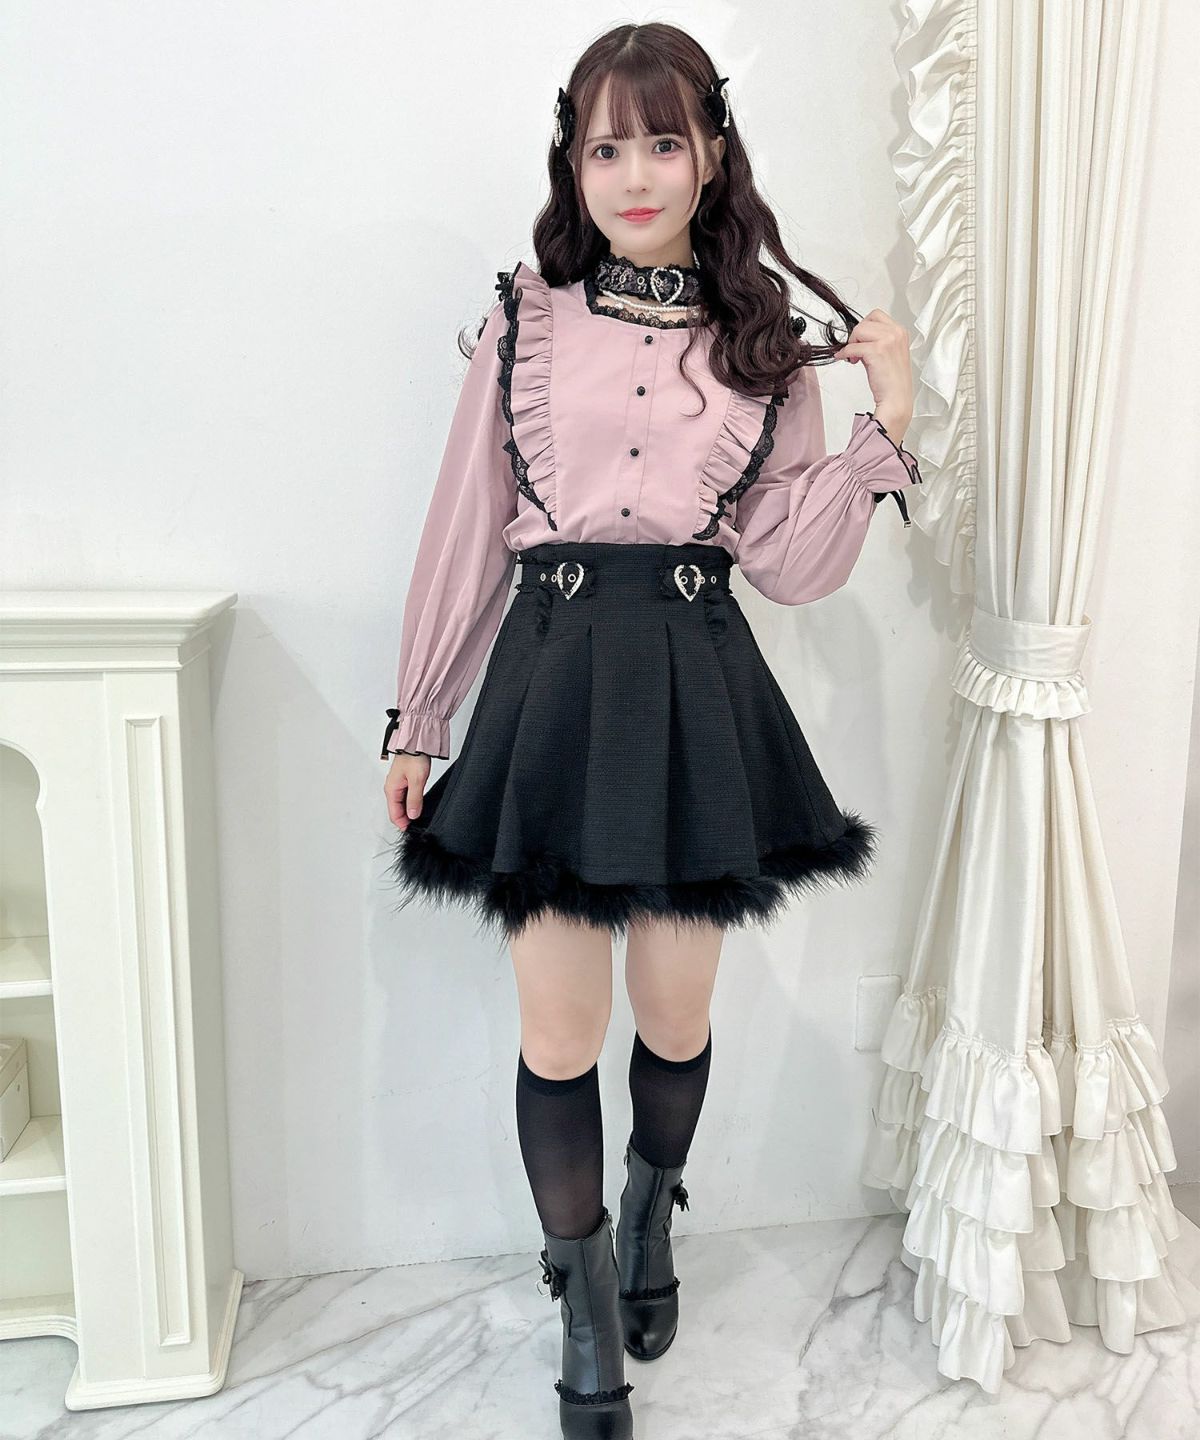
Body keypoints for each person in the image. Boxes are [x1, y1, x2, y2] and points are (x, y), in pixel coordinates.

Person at [380, 22, 919, 1439]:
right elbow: (465, 526)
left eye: (663, 142)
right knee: (559, 1032)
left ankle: (650, 1210)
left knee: (675, 1015)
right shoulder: (525, 321)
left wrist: (884, 426)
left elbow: (791, 564)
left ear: (713, 155)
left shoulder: (763, 349)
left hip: (694, 684)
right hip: (551, 686)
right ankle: (583, 1307)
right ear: (572, 161)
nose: (633, 174)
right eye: (604, 145)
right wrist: (419, 716)